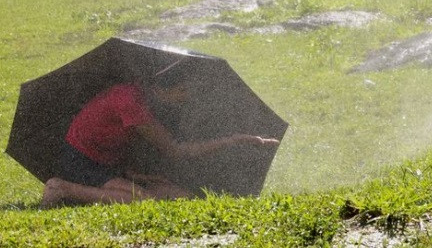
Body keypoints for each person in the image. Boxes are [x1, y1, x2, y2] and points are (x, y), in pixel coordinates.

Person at [40, 64, 279, 208]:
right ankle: (63, 188)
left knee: (180, 195)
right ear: (160, 90)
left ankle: (111, 189)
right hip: (81, 162)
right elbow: (175, 150)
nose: (186, 96)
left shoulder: (145, 95)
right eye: (181, 91)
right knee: (142, 199)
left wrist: (132, 171)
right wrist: (233, 140)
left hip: (110, 162)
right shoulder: (131, 102)